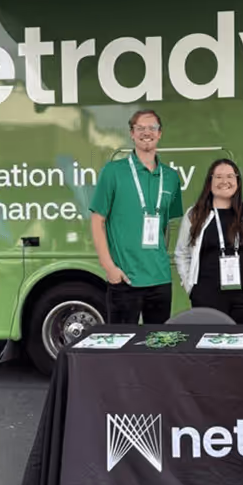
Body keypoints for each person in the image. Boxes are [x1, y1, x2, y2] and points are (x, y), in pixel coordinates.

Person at [89, 109, 183, 324]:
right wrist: (109, 268)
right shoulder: (113, 171)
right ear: (132, 133)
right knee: (122, 343)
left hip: (160, 280)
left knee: (157, 341)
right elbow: (97, 221)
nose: (146, 132)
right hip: (125, 279)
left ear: (160, 133)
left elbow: (166, 226)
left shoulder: (170, 177)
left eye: (152, 128)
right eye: (140, 128)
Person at [174, 159, 243, 324]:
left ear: (237, 181)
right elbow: (181, 253)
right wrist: (191, 288)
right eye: (218, 177)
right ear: (210, 182)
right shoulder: (195, 214)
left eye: (230, 176)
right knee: (209, 339)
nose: (224, 181)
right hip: (207, 297)